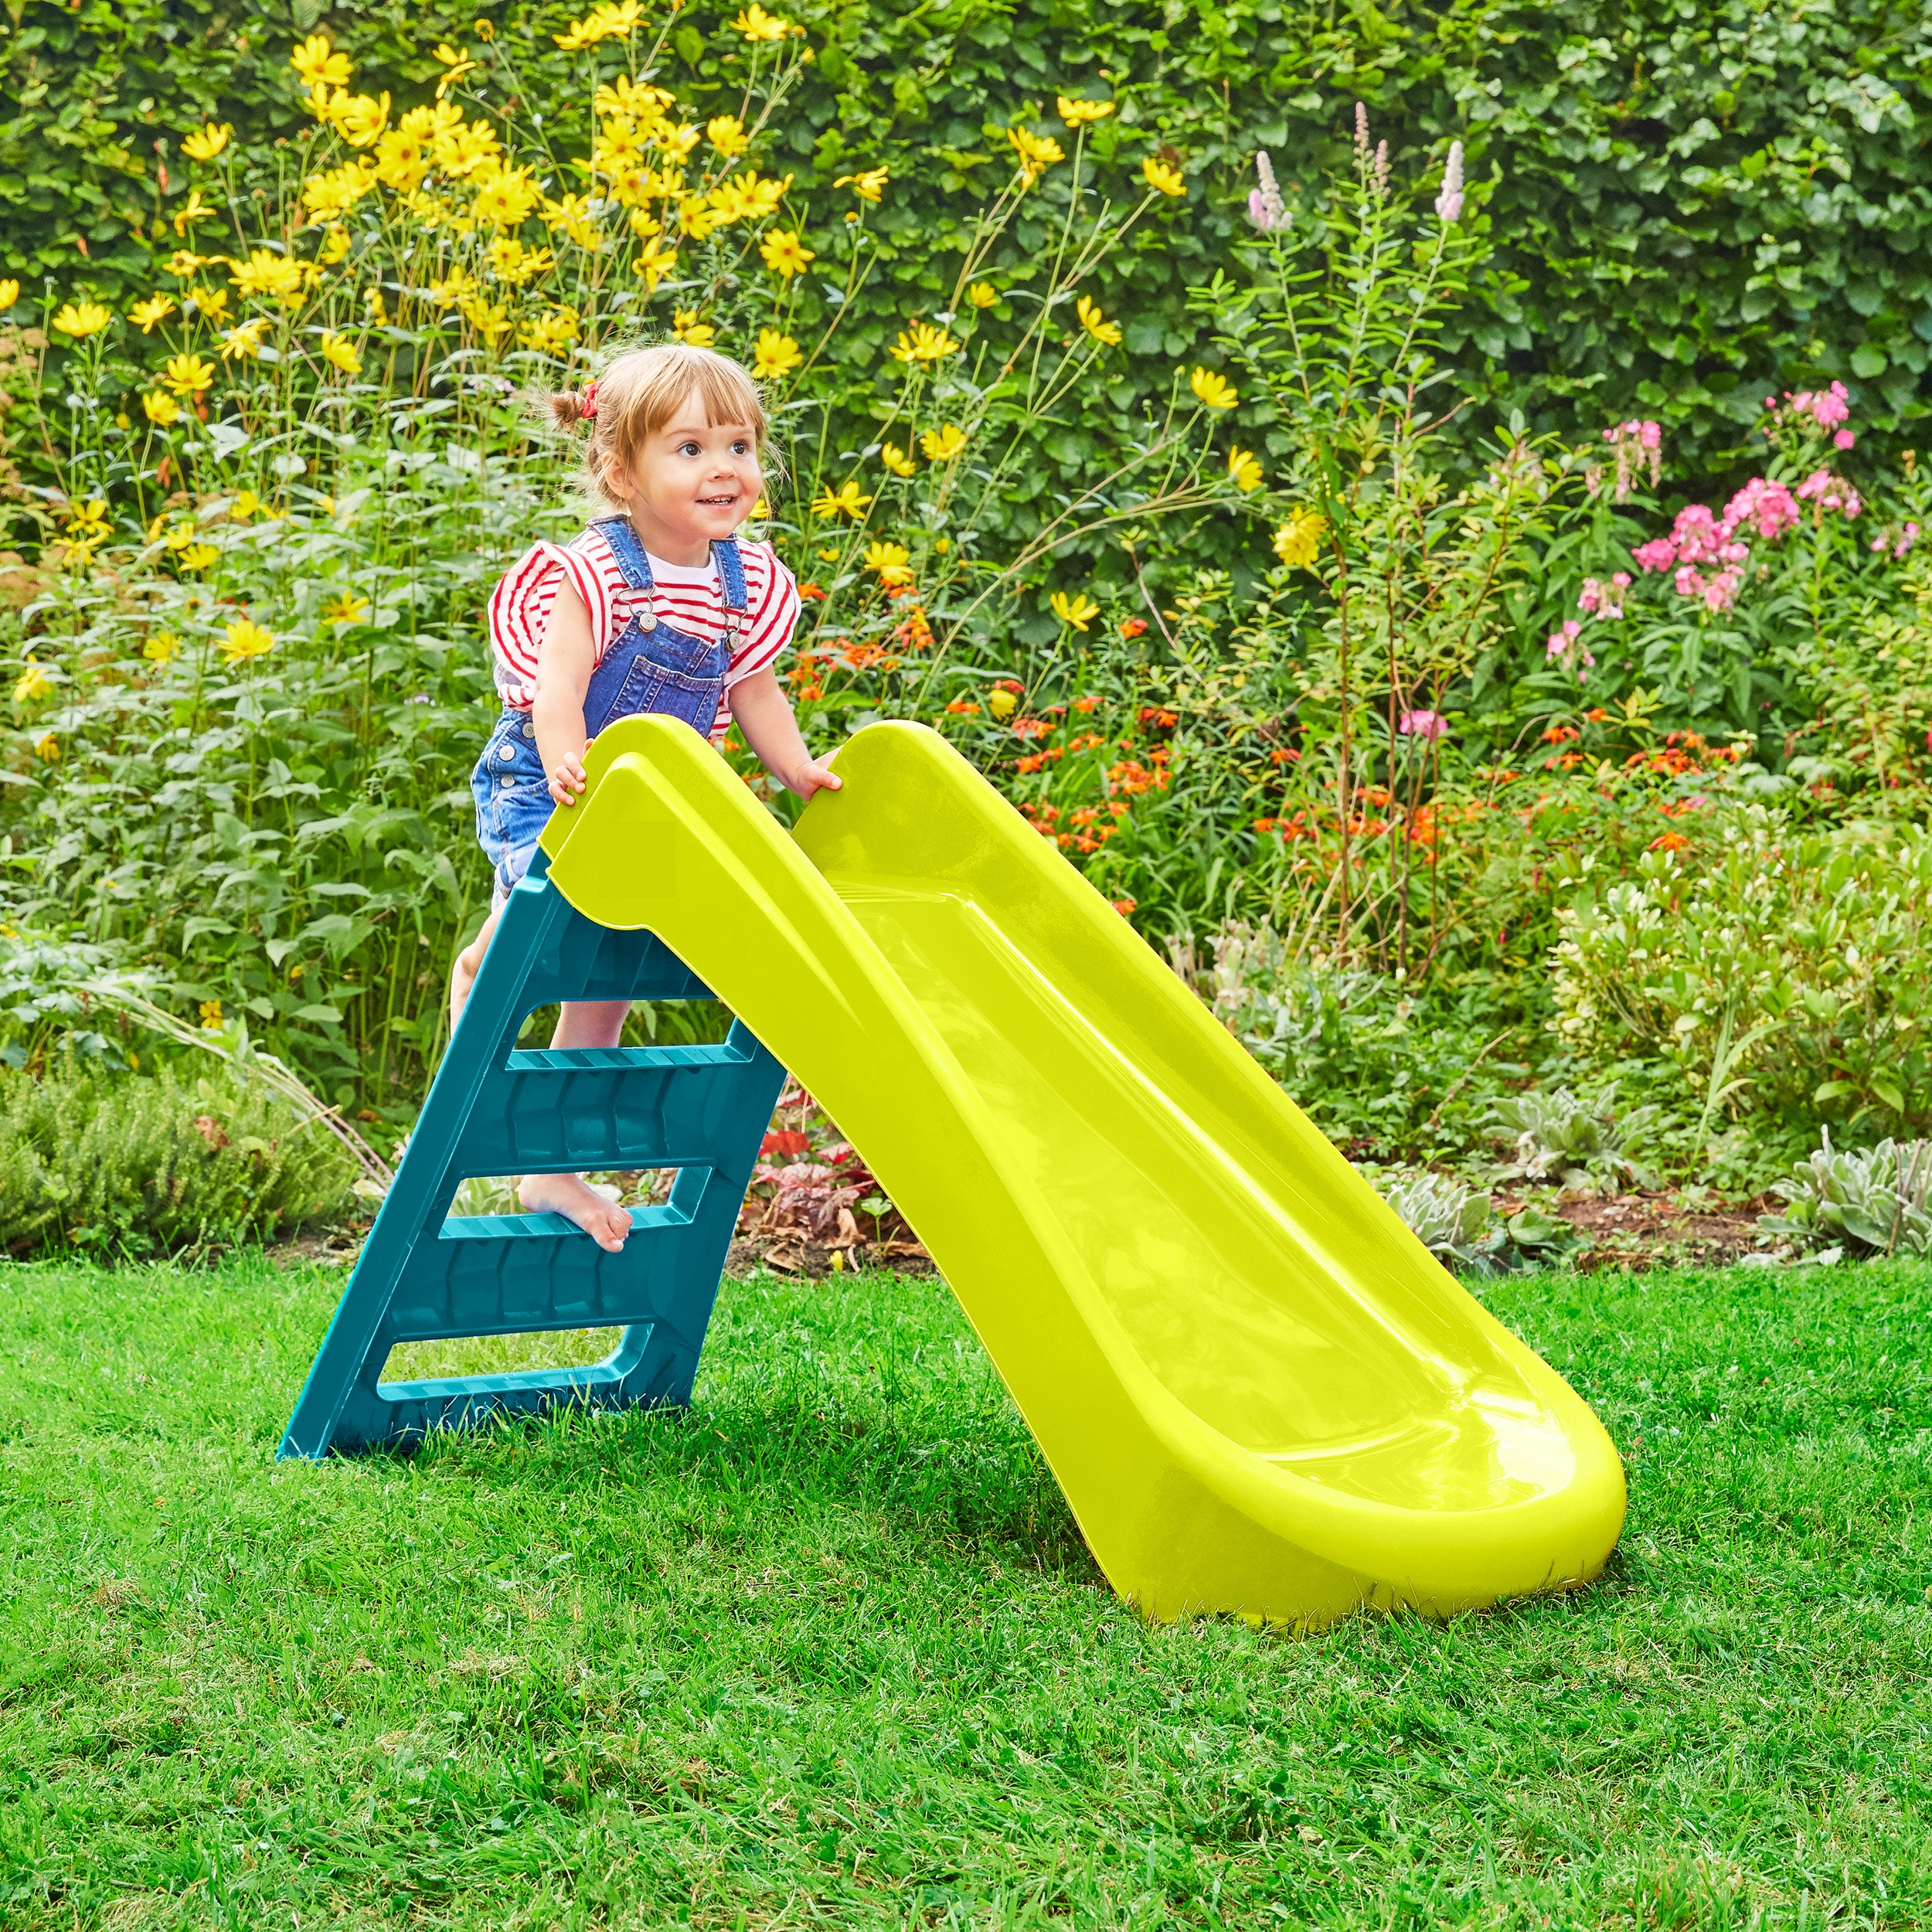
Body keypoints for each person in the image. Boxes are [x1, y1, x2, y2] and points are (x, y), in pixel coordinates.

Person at [450, 340, 841, 1252]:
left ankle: (550, 1166)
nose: (724, 470)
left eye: (739, 447)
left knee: (607, 984)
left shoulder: (743, 582)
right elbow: (559, 680)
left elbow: (753, 692)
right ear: (622, 471)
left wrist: (796, 769)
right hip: (559, 782)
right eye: (692, 449)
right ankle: (484, 961)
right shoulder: (594, 570)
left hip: (657, 800)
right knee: (536, 945)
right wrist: (563, 757)